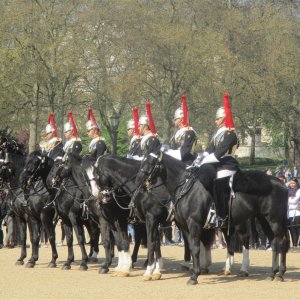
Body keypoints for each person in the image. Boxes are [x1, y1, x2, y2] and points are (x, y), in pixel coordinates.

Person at [193, 93, 239, 227]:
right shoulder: (217, 134)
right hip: (218, 164)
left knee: (218, 186)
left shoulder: (230, 134)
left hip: (228, 165)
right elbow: (209, 149)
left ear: (224, 119)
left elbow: (219, 153)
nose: (215, 121)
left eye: (217, 119)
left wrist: (203, 161)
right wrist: (198, 160)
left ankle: (221, 216)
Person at [169, 95, 197, 165]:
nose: (173, 121)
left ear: (181, 119)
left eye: (175, 119)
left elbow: (184, 151)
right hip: (176, 162)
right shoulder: (176, 133)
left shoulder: (189, 132)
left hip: (186, 163)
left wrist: (167, 153)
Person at [287, 177, 300, 248]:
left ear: (296, 184)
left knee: (297, 228)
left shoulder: (298, 190)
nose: (292, 184)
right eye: (291, 183)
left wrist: (288, 199)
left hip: (297, 213)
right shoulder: (288, 190)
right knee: (292, 230)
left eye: (293, 183)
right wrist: (290, 198)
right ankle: (294, 245)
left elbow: (294, 201)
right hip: (289, 213)